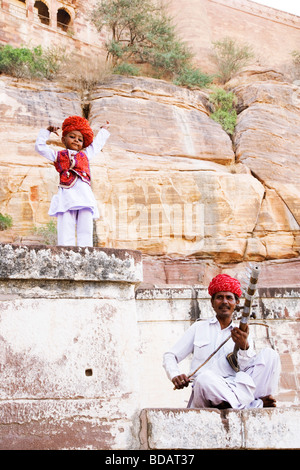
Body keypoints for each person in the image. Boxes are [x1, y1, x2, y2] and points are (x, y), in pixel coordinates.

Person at [163, 274, 281, 409]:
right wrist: (175, 375)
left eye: (229, 297)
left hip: (235, 389)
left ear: (236, 303)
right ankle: (253, 406)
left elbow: (246, 370)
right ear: (212, 302)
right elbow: (170, 355)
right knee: (204, 378)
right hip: (208, 390)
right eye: (219, 297)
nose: (224, 301)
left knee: (270, 355)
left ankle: (243, 404)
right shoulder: (199, 327)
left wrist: (244, 347)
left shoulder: (242, 331)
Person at [35, 115, 110, 247]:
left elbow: (97, 145)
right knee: (66, 223)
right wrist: (47, 132)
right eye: (72, 137)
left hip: (84, 195)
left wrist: (103, 131)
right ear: (64, 139)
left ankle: (85, 250)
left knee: (85, 225)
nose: (76, 140)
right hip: (67, 194)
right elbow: (40, 147)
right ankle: (65, 249)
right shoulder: (57, 155)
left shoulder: (86, 155)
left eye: (80, 139)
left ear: (83, 144)